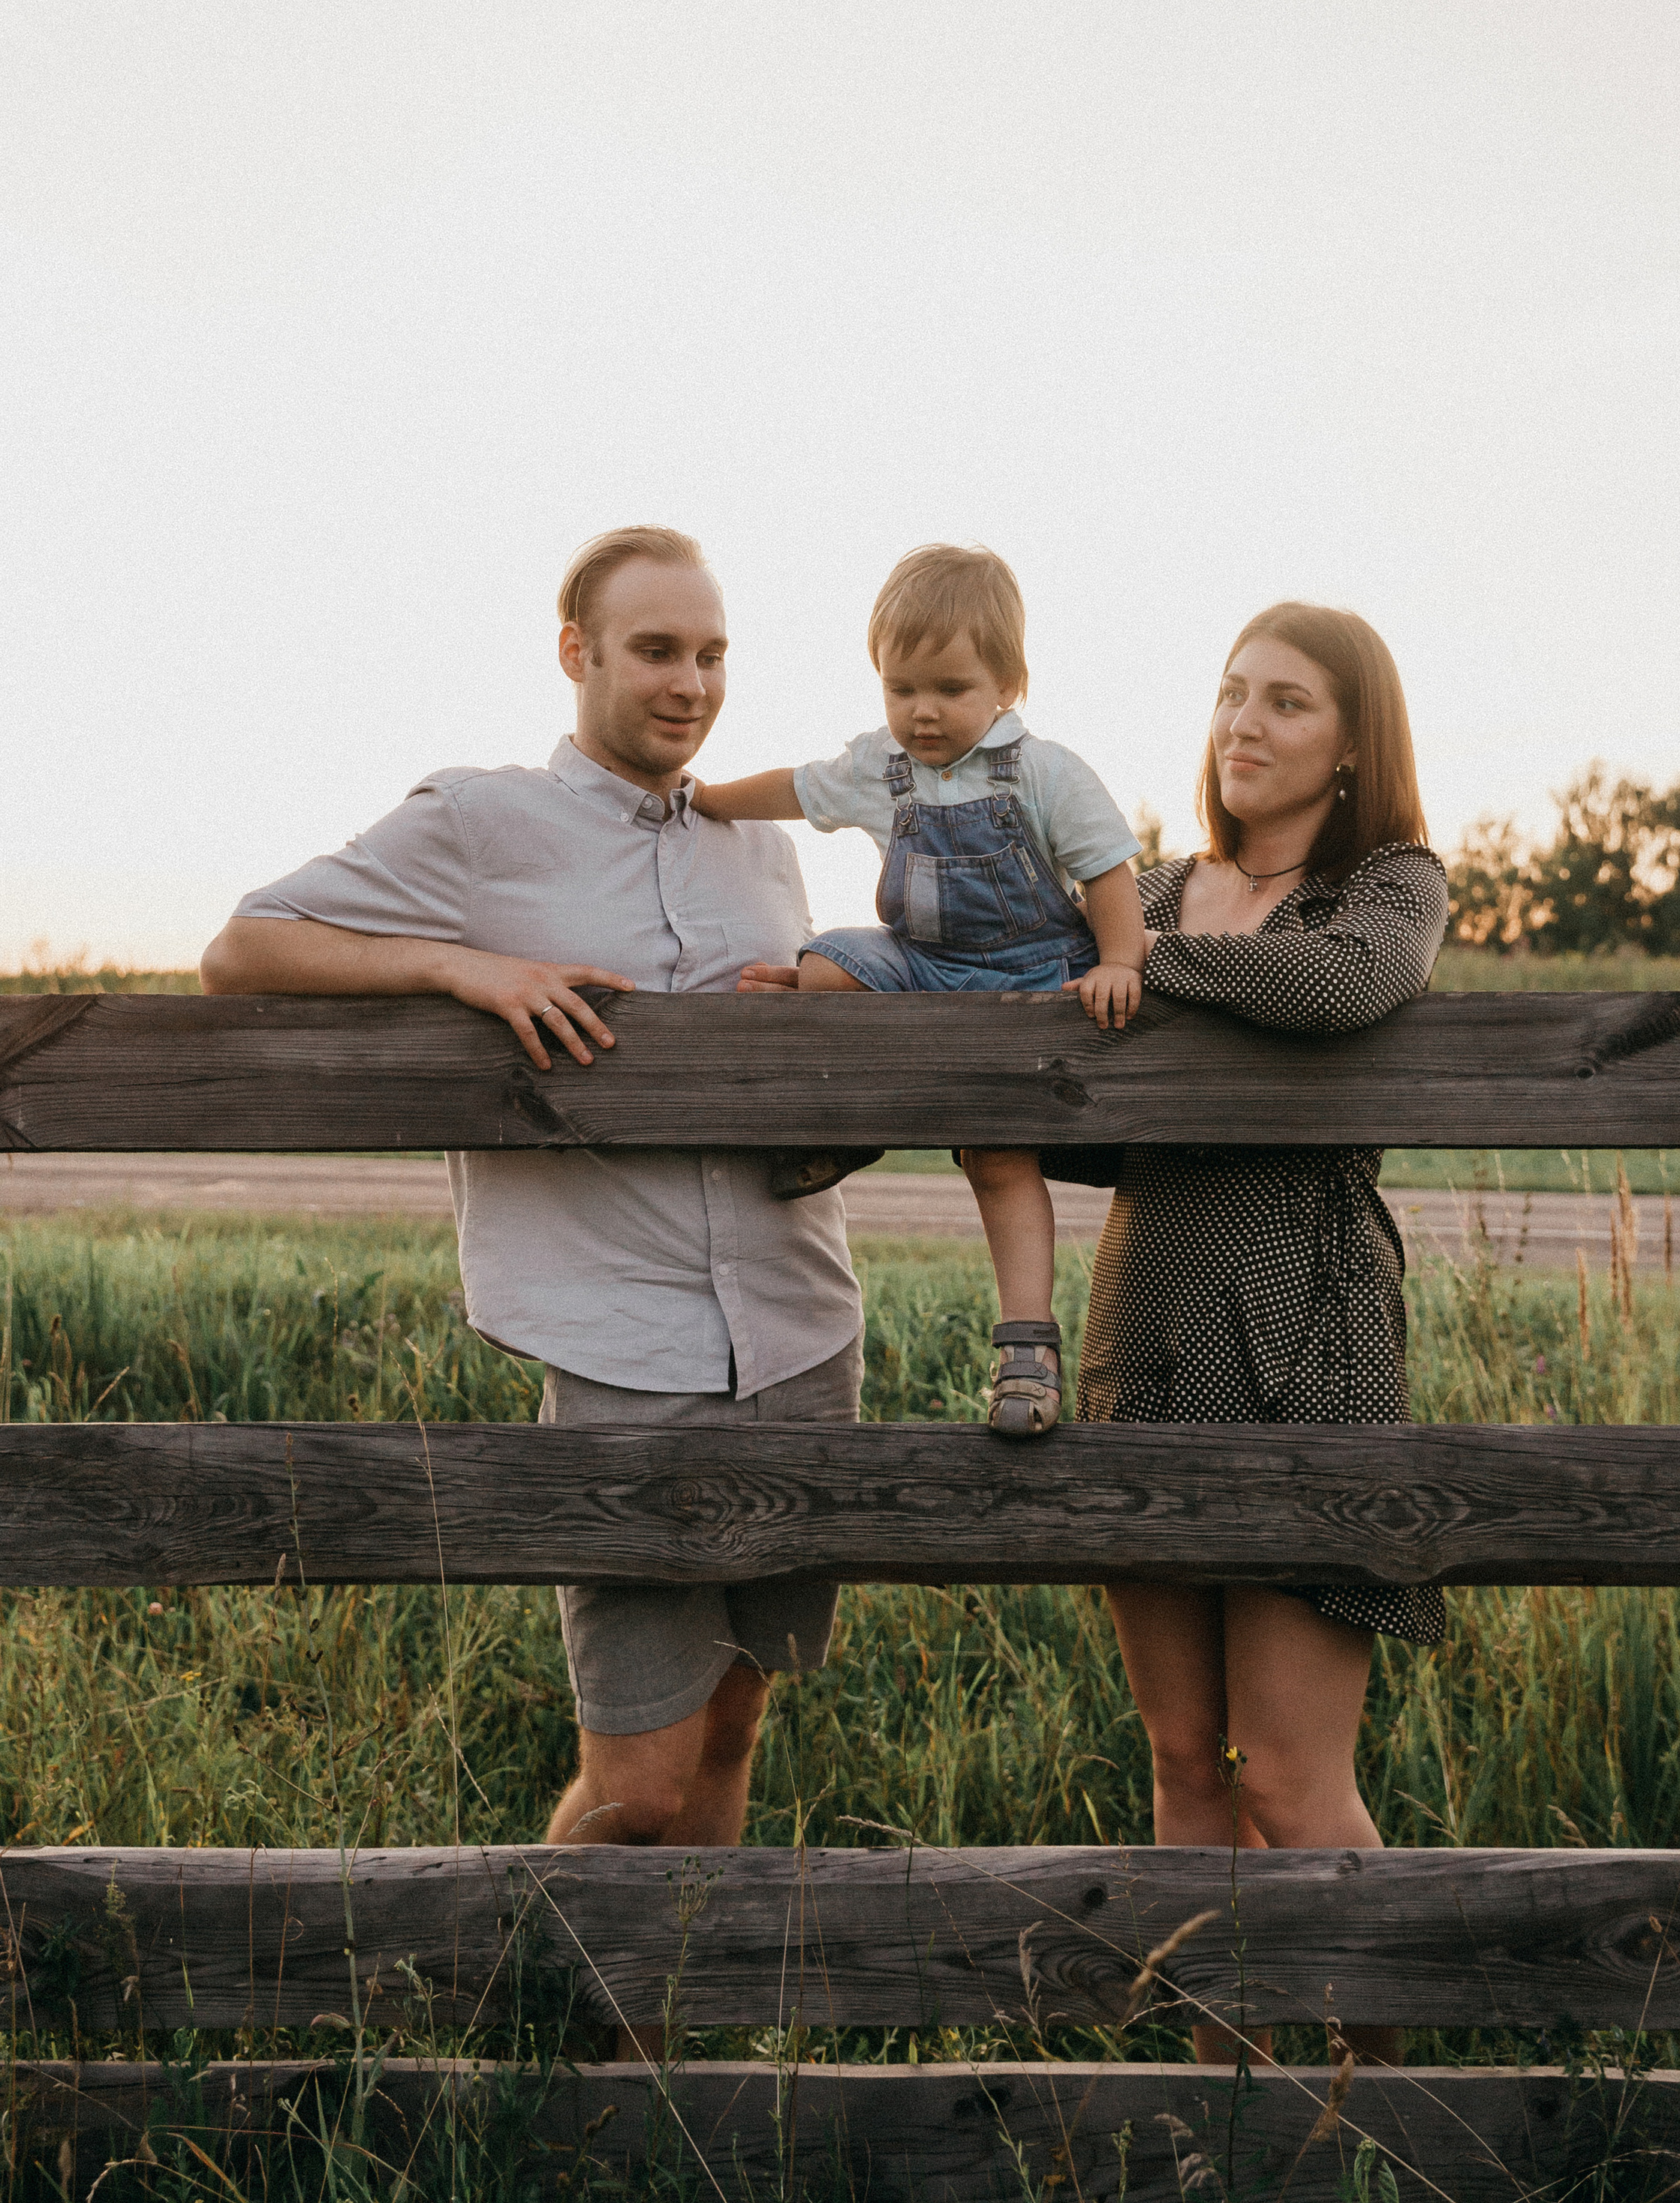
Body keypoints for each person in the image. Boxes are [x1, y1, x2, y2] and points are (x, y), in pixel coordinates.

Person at [199, 524, 866, 1883]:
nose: (690, 683)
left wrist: (820, 1007)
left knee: (736, 1732)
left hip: (802, 1329)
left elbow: (812, 1047)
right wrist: (462, 969)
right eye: (657, 651)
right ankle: (549, 2054)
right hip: (622, 1347)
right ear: (578, 654)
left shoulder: (759, 843)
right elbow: (244, 945)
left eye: (714, 654)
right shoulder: (480, 820)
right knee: (640, 1791)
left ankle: (663, 2060)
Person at [1068, 600, 1447, 2066]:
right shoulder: (1151, 886)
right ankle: (1224, 2115)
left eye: (1286, 702)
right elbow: (1037, 1039)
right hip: (1148, 1332)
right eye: (1232, 694)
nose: (1244, 723)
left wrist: (1143, 975)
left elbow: (1345, 987)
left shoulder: (1384, 884)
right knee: (1181, 1764)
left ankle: (1382, 2112)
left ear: (1351, 745)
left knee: (1288, 1780)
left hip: (1306, 1344)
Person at [694, 543, 1146, 1437]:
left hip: (1028, 977)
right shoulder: (880, 769)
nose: (922, 712)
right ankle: (858, 1130)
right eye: (901, 689)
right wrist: (704, 799)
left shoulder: (1044, 772)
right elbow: (793, 787)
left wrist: (1120, 961)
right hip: (926, 967)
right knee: (823, 967)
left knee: (998, 1157)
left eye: (948, 689)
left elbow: (1108, 870)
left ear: (1008, 682)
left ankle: (1026, 1345)